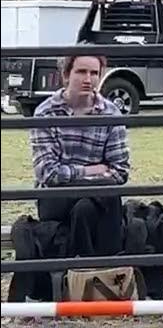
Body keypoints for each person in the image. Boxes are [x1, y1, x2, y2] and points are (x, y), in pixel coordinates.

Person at [29, 54, 131, 257]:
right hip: (56, 198)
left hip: (95, 201)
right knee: (105, 193)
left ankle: (82, 275)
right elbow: (48, 175)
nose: (88, 79)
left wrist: (72, 175)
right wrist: (92, 170)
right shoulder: (45, 113)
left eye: (94, 73)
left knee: (85, 209)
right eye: (81, 71)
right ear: (66, 75)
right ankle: (110, 270)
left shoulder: (111, 113)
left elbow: (120, 172)